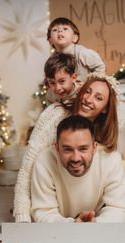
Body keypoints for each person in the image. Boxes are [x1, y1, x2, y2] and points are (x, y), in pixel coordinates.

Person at [14, 73, 120, 222]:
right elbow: (28, 166)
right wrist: (22, 215)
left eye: (99, 98)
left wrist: (95, 223)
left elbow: (117, 207)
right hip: (50, 198)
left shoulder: (106, 150)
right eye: (87, 92)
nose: (89, 99)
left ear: (105, 109)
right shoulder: (55, 115)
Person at [31, 115, 125, 222]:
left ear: (94, 148)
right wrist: (72, 224)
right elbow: (43, 212)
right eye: (67, 150)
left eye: (83, 149)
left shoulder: (110, 159)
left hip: (100, 229)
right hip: (58, 233)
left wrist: (96, 223)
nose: (76, 158)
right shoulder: (44, 160)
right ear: (57, 148)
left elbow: (118, 208)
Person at [47, 17, 105, 83]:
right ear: (50, 41)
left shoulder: (82, 53)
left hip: (84, 89)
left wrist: (90, 84)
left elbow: (100, 67)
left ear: (74, 38)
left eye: (65, 29)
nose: (60, 31)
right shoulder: (52, 59)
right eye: (55, 30)